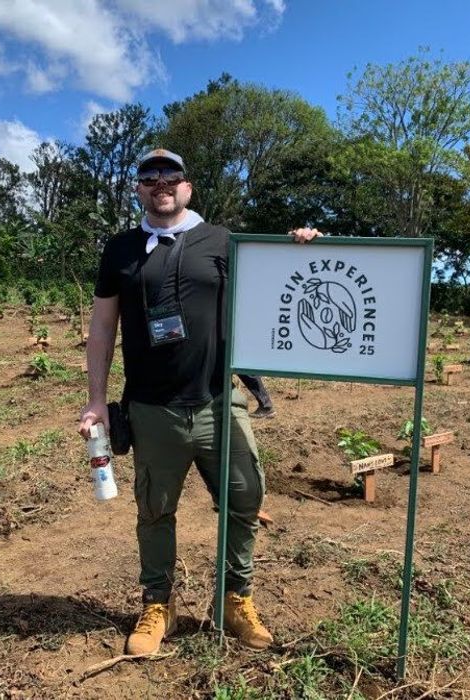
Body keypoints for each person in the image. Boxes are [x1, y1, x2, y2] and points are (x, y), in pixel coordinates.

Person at [78, 147, 322, 656]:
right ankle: (157, 604)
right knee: (154, 510)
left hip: (217, 401)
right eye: (149, 176)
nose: (160, 182)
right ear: (139, 189)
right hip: (151, 408)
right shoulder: (120, 249)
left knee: (244, 498)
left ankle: (235, 599)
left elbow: (275, 286)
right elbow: (102, 329)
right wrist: (96, 401)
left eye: (171, 175)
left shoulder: (224, 240)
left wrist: (300, 249)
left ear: (187, 187)